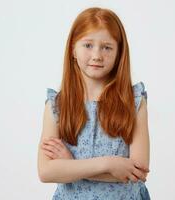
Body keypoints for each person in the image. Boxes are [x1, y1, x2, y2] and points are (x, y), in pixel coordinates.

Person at [37, 7, 151, 200]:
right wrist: (109, 164)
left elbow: (138, 172)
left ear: (119, 53)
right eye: (88, 45)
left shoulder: (134, 102)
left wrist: (71, 165)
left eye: (107, 47)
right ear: (73, 49)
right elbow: (46, 171)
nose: (97, 55)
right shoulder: (57, 105)